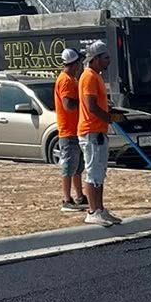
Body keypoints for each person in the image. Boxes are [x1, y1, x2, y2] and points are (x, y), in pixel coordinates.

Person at [78, 39, 120, 229]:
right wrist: (108, 117)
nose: (108, 60)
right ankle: (92, 211)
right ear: (94, 59)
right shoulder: (88, 77)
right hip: (90, 131)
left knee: (100, 173)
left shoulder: (97, 77)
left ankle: (100, 209)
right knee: (93, 173)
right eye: (105, 57)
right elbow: (90, 106)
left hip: (99, 131)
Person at [54, 47, 87, 213]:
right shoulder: (66, 81)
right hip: (68, 131)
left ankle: (80, 196)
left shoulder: (71, 79)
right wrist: (84, 102)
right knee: (68, 166)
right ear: (75, 63)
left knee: (77, 167)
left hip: (75, 130)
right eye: (79, 62)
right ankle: (66, 199)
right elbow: (68, 105)